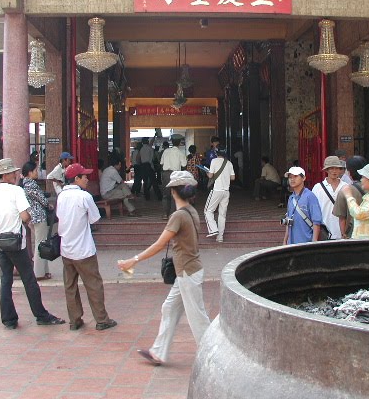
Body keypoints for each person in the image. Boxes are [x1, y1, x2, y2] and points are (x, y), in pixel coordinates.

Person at [117, 171, 211, 366]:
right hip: (186, 271)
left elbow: (159, 245)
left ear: (173, 192)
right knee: (169, 308)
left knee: (198, 318)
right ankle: (158, 352)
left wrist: (133, 260)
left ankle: (214, 356)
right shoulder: (191, 211)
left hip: (187, 272)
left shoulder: (178, 216)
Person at [0, 158, 65, 329]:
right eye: (14, 172)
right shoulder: (16, 192)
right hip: (17, 242)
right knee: (29, 279)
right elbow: (25, 216)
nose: (16, 175)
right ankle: (41, 315)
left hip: (1, 242)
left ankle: (9, 319)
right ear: (7, 174)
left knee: (6, 281)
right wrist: (20, 219)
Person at [57, 163, 117, 331]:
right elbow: (95, 219)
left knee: (70, 286)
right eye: (84, 176)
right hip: (83, 249)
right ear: (76, 179)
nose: (87, 179)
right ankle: (101, 319)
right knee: (93, 284)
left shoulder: (61, 196)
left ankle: (74, 319)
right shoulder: (84, 197)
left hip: (66, 248)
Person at [21, 161, 53, 280]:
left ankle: (44, 271)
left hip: (33, 216)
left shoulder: (25, 184)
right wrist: (48, 204)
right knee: (40, 244)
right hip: (38, 216)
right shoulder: (31, 185)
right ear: (29, 172)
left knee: (42, 242)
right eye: (35, 170)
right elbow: (42, 200)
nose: (37, 172)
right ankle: (39, 272)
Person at [339, 162, 369, 239]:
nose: (361, 180)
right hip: (364, 245)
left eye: (363, 177)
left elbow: (358, 214)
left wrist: (348, 195)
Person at [282, 166, 322, 245]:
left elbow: (316, 222)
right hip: (292, 242)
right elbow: (288, 221)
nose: (292, 179)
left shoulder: (310, 196)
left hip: (307, 242)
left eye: (296, 176)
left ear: (303, 178)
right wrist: (285, 240)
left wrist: (314, 242)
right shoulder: (291, 198)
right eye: (290, 177)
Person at [204, 149, 235, 243]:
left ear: (216, 153)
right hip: (226, 191)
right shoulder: (229, 163)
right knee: (222, 214)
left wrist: (206, 172)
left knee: (208, 211)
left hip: (217, 190)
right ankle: (220, 237)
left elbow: (210, 176)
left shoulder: (214, 161)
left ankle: (213, 229)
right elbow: (233, 177)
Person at [333, 155, 367, 238]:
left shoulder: (344, 191)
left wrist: (343, 234)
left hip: (353, 235)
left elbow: (342, 218)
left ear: (349, 172)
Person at [312, 156, 346, 239]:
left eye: (337, 168)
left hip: (342, 232)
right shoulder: (317, 188)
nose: (334, 171)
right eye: (331, 168)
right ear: (326, 170)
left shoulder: (346, 187)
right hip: (324, 231)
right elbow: (313, 211)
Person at [161, 136, 188, 219]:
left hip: (166, 174)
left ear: (171, 142)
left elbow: (161, 163)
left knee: (166, 195)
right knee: (175, 195)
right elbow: (184, 165)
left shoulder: (166, 151)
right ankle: (172, 214)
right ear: (180, 143)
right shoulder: (180, 153)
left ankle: (165, 214)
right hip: (176, 174)